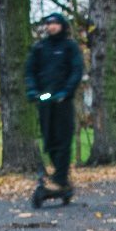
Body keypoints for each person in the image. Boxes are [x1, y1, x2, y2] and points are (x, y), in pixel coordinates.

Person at [23, 12, 84, 193]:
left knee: (63, 139)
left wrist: (67, 91)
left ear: (62, 26)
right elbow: (30, 71)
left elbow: (76, 70)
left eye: (55, 24)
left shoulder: (69, 47)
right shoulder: (40, 48)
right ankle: (58, 175)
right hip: (45, 99)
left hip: (62, 99)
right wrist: (33, 90)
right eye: (49, 24)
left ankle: (61, 176)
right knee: (48, 139)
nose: (52, 27)